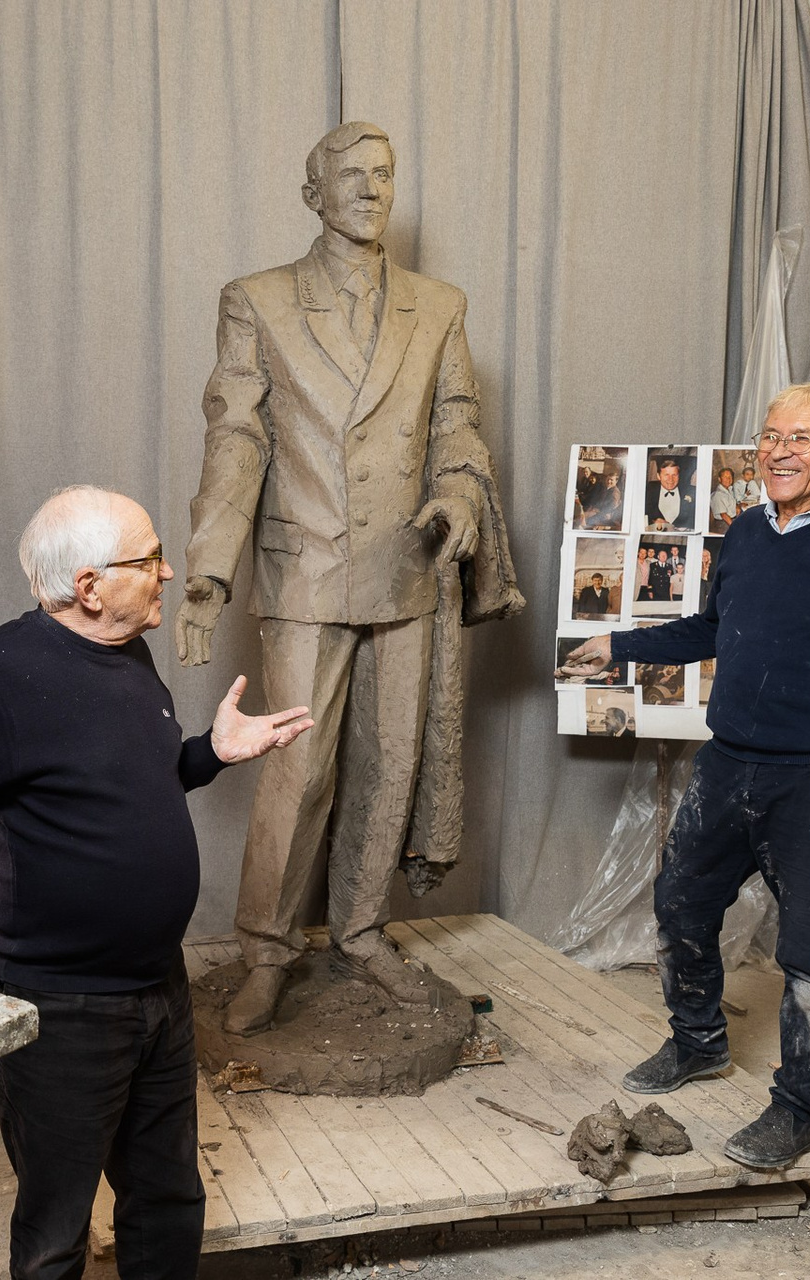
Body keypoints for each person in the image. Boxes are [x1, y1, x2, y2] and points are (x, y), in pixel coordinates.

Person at [0, 487, 313, 1280]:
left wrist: (210, 753)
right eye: (149, 559)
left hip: (159, 989)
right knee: (56, 1233)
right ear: (88, 586)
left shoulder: (128, 654)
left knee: (167, 1201)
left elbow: (134, 781)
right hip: (61, 1008)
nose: (168, 572)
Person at [561, 382, 810, 1170]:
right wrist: (620, 646)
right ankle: (698, 1042)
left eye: (801, 439)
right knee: (680, 903)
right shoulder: (747, 531)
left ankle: (801, 1111)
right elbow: (714, 628)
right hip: (728, 764)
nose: (779, 451)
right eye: (770, 436)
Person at [176, 121, 523, 1035]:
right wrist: (209, 568)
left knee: (388, 765)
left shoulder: (437, 306)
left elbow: (456, 421)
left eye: (385, 173)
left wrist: (459, 492)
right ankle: (266, 950)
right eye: (352, 175)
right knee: (298, 772)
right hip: (306, 570)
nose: (372, 189)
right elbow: (237, 436)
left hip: (406, 566)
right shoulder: (258, 301)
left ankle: (362, 931)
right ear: (313, 195)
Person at [645, 455, 695, 531]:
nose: (670, 479)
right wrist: (653, 523)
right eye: (666, 475)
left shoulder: (692, 491)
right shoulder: (648, 490)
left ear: (679, 476)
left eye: (674, 475)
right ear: (658, 476)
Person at [709, 466, 738, 533]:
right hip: (724, 524)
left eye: (730, 477)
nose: (728, 479)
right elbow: (724, 515)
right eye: (725, 477)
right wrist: (735, 528)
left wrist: (737, 506)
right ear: (719, 479)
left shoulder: (729, 490)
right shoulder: (718, 495)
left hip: (730, 520)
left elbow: (729, 504)